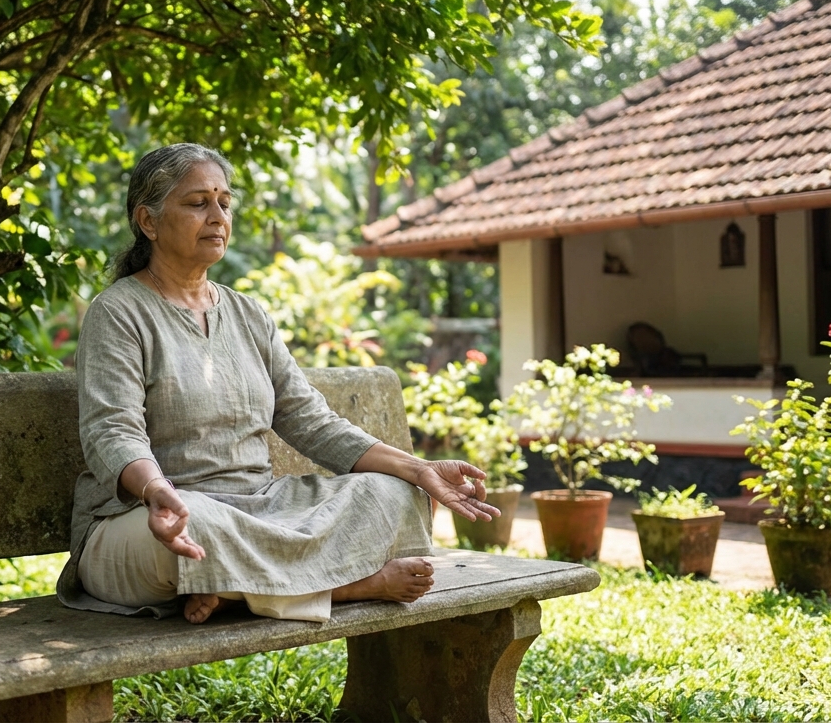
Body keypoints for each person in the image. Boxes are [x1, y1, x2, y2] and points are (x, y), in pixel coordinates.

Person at [55, 143, 499, 624]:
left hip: (260, 511)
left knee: (390, 494)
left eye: (224, 202)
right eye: (197, 202)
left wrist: (417, 469)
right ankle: (349, 586)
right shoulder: (117, 312)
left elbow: (309, 419)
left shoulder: (248, 314)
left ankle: (235, 589)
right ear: (148, 221)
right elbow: (111, 430)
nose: (217, 216)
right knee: (198, 529)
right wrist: (157, 491)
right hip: (154, 520)